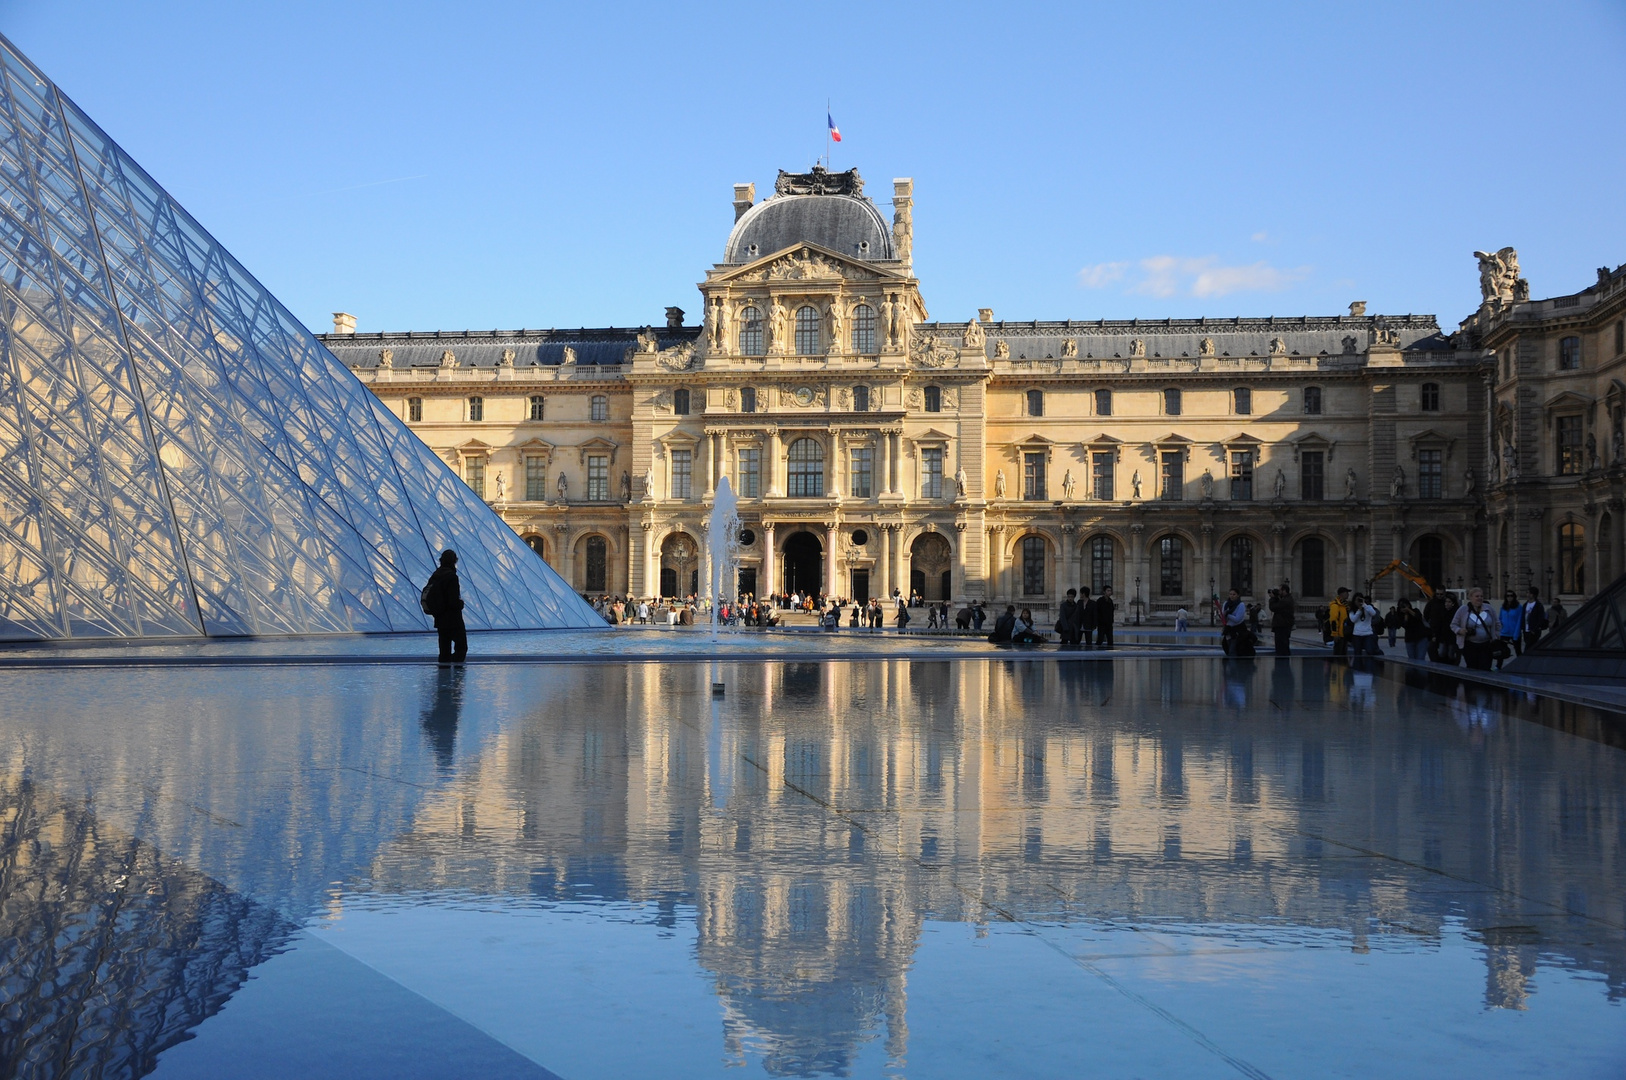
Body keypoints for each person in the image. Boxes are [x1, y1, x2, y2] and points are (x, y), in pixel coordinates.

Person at [424, 549, 467, 664]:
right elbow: (453, 601)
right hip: (453, 619)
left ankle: (443, 674)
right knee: (461, 648)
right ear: (454, 561)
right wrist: (461, 604)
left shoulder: (435, 575)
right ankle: (456, 676)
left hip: (439, 617)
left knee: (444, 650)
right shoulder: (452, 577)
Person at [1451, 587, 1499, 670]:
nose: (1480, 598)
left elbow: (1497, 623)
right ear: (1470, 597)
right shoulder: (1463, 609)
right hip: (1470, 645)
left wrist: (1496, 635)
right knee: (1472, 668)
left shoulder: (1489, 608)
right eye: (1477, 596)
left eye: (1481, 596)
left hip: (1486, 644)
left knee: (1486, 667)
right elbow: (1453, 624)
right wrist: (1460, 630)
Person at [1347, 591, 1380, 660]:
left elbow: (1373, 613)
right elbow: (1353, 620)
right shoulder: (1352, 610)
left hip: (1367, 633)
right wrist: (1359, 610)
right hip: (1357, 634)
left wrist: (1364, 605)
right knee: (1357, 653)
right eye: (1357, 600)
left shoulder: (1368, 607)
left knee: (1369, 651)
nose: (1358, 602)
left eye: (1359, 600)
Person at [1498, 590, 1524, 665]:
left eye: (1511, 596)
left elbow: (1519, 620)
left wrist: (1517, 633)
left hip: (1514, 632)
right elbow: (1500, 618)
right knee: (1501, 650)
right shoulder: (1503, 607)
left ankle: (1521, 665)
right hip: (1504, 632)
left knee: (1518, 650)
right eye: (1507, 596)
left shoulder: (1518, 607)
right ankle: (1498, 666)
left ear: (1514, 597)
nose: (1509, 597)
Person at [1268, 586, 1295, 656]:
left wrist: (1273, 598)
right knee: (1283, 644)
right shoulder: (1287, 599)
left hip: (1282, 625)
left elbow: (1273, 607)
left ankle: (1282, 661)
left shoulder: (1285, 601)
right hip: (1283, 624)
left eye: (1280, 590)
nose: (1279, 592)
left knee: (1281, 645)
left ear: (1284, 591)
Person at [1220, 588, 1247, 655]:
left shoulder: (1241, 605)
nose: (1232, 596)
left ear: (1238, 595)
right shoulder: (1226, 604)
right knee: (1228, 649)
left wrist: (1227, 615)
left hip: (1237, 631)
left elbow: (1237, 619)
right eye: (1230, 594)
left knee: (1233, 650)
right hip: (1228, 630)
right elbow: (1223, 616)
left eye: (1234, 594)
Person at [1327, 587, 1352, 656]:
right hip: (1339, 634)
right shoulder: (1335, 605)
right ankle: (1337, 666)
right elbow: (1333, 620)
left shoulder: (1345, 605)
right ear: (1342, 594)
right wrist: (1335, 634)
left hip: (1345, 633)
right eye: (1346, 593)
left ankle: (1342, 666)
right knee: (1339, 653)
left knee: (1343, 653)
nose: (1348, 595)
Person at [1522, 586, 1547, 653]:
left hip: (1533, 631)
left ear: (1534, 594)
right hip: (1526, 630)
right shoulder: (1525, 605)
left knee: (1528, 649)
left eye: (1530, 593)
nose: (1528, 594)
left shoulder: (1538, 605)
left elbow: (1540, 618)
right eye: (1527, 593)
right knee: (1530, 648)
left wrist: (1534, 629)